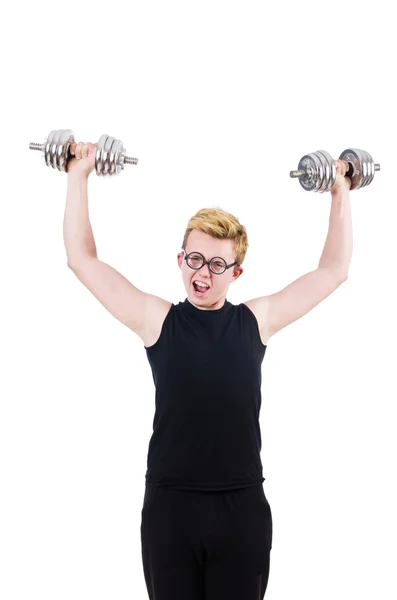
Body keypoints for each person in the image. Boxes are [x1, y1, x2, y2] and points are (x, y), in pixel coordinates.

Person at [64, 141, 352, 599]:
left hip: (241, 508)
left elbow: (333, 270)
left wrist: (341, 190)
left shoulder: (257, 321)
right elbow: (83, 260)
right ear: (180, 259)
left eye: (218, 264)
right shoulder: (157, 319)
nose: (203, 272)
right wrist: (78, 175)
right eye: (195, 259)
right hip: (170, 506)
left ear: (236, 273)